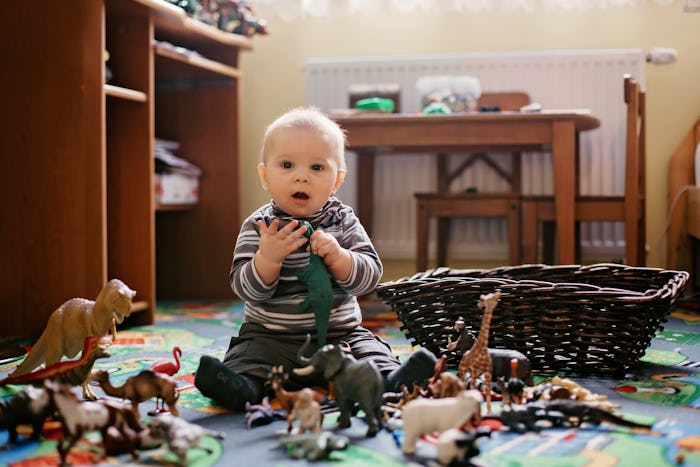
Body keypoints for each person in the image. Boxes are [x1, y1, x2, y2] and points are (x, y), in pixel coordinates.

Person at [194, 106, 436, 410]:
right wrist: (267, 260)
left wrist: (340, 257)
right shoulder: (260, 226)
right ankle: (244, 388)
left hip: (340, 336)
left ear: (336, 180)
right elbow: (246, 289)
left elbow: (370, 275)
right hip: (272, 338)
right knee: (248, 357)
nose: (301, 177)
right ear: (264, 176)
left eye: (317, 168)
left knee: (370, 351)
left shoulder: (343, 221)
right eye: (286, 165)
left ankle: (388, 381)